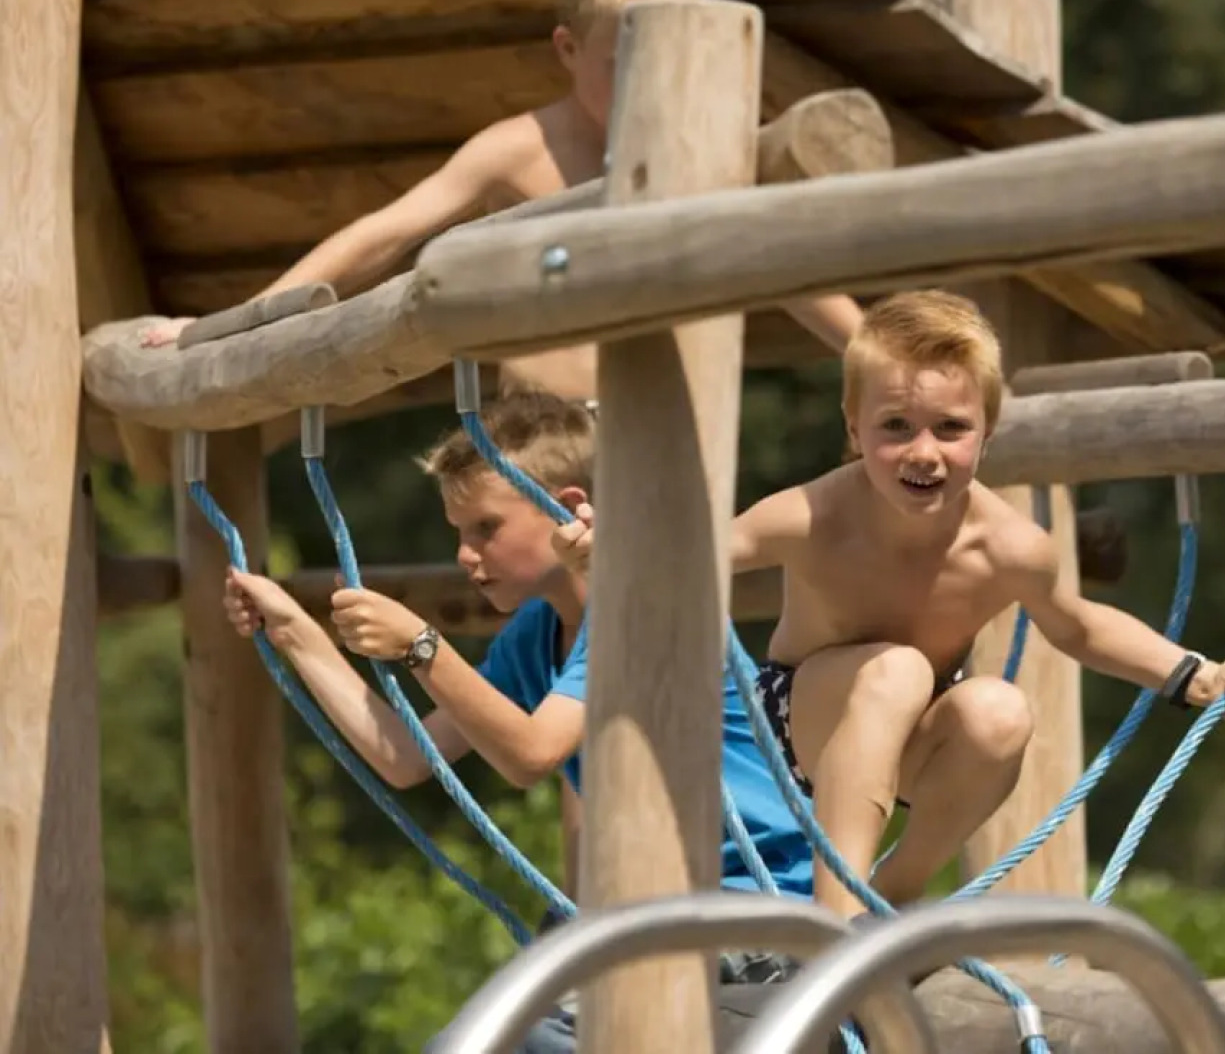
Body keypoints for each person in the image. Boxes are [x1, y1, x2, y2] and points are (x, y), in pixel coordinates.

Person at [553, 288, 1225, 919]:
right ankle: (834, 920)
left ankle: (897, 892)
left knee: (1000, 711)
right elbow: (691, 551)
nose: (924, 452)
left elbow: (1079, 625)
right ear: (854, 431)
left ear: (988, 433)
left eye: (951, 428)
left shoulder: (1009, 546)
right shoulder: (810, 515)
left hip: (915, 740)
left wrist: (1196, 674)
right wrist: (609, 543)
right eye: (895, 428)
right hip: (796, 724)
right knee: (898, 670)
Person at [219, 392, 815, 1050]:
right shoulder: (538, 633)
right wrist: (296, 633)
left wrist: (422, 646)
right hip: (653, 913)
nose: (465, 556)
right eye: (457, 533)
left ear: (565, 505)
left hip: (751, 908)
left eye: (485, 528)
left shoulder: (642, 604)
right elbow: (407, 756)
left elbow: (532, 755)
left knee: (529, 1040)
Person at [139, 0, 864, 399]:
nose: (651, 90)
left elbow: (797, 279)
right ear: (568, 50)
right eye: (625, 63)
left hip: (674, 431)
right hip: (545, 438)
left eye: (676, 65)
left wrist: (889, 370)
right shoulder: (521, 151)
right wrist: (230, 327)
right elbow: (383, 235)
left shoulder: (712, 157)